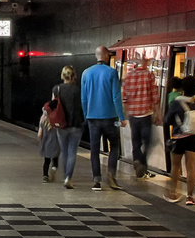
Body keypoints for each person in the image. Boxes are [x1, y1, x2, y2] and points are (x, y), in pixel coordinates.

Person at [80, 46, 128, 192]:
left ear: (96, 56)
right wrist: (122, 117)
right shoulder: (112, 72)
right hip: (111, 118)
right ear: (106, 55)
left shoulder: (86, 73)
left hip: (92, 118)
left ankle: (96, 181)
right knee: (115, 146)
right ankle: (111, 177)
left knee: (94, 150)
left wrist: (86, 115)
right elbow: (116, 96)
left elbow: (83, 98)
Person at [164, 74, 195, 205]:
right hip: (194, 138)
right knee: (191, 166)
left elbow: (168, 120)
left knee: (175, 166)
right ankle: (190, 197)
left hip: (179, 137)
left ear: (182, 88)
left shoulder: (177, 102)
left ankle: (173, 193)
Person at [121, 54, 161, 180]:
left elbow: (125, 98)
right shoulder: (149, 75)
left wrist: (125, 115)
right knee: (148, 141)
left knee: (136, 142)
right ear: (146, 62)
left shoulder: (129, 76)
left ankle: (137, 161)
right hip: (146, 115)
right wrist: (158, 113)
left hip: (133, 115)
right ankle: (142, 162)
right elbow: (155, 95)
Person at [51, 65, 85, 188]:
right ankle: (68, 178)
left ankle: (66, 176)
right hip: (76, 125)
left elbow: (52, 107)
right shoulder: (77, 90)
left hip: (61, 125)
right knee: (72, 152)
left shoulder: (57, 89)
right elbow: (82, 107)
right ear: (73, 76)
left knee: (64, 152)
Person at [38, 99, 60, 182]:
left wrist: (41, 141)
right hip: (56, 144)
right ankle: (54, 169)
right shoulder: (57, 121)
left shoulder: (43, 120)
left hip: (46, 143)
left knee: (46, 161)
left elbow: (39, 134)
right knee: (55, 159)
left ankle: (45, 176)